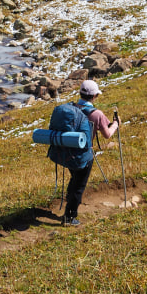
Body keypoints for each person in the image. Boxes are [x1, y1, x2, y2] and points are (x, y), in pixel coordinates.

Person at [54, 80, 119, 227]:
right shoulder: (97, 114)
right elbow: (107, 134)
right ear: (95, 96)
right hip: (84, 155)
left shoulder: (72, 107)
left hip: (68, 151)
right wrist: (116, 124)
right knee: (79, 186)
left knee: (75, 179)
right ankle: (70, 217)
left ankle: (69, 202)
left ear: (80, 93)